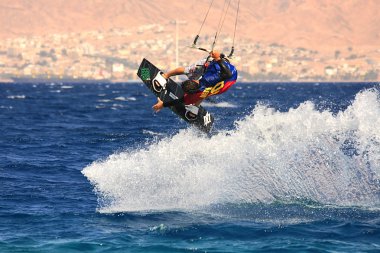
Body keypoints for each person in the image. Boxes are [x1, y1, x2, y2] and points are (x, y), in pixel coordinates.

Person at [152, 50, 238, 113]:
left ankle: (165, 76)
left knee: (190, 72)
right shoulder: (207, 80)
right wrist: (218, 58)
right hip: (230, 77)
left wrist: (163, 105)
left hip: (226, 82)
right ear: (195, 81)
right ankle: (195, 107)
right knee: (205, 91)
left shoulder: (199, 91)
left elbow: (181, 101)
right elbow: (228, 74)